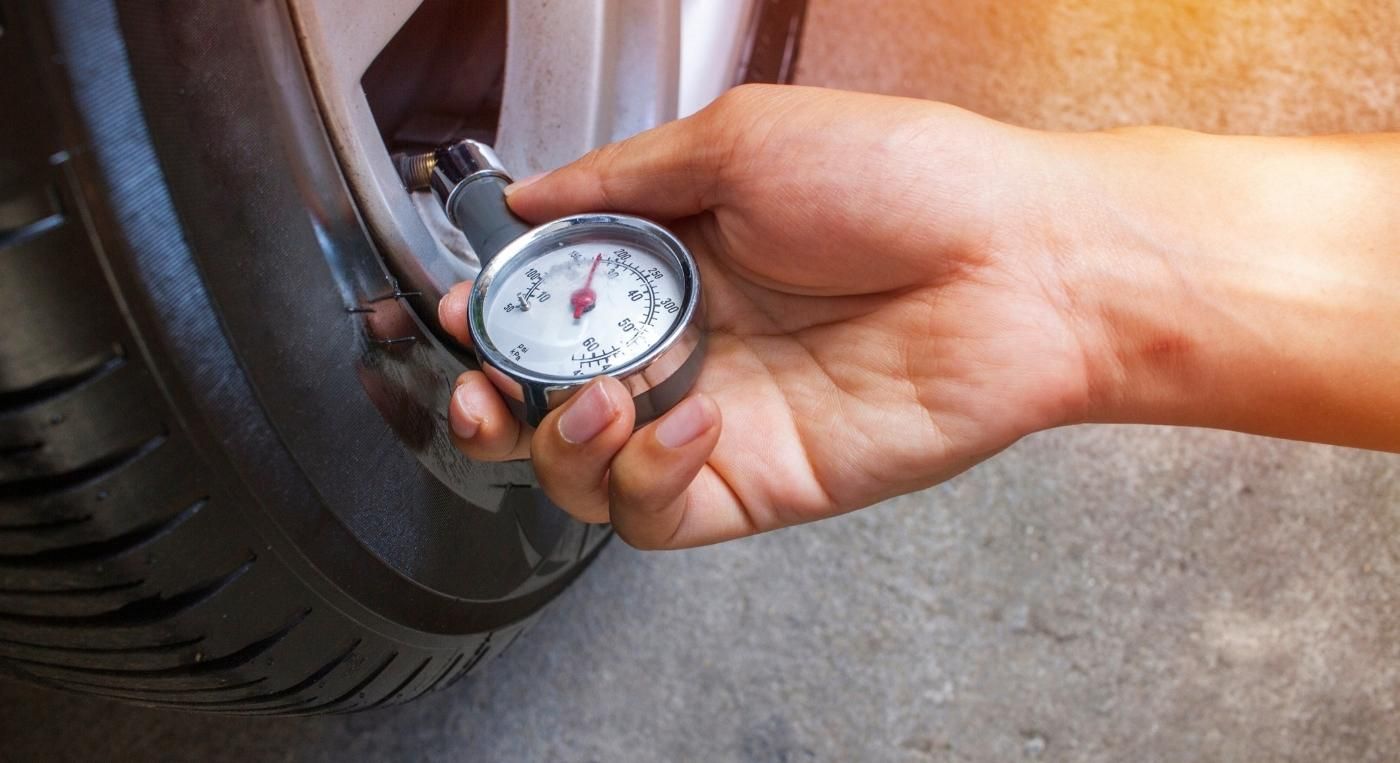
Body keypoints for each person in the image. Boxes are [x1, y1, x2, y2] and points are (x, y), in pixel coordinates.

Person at [436, 85, 1400, 550]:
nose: (578, 298)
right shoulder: (605, 281)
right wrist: (1039, 260)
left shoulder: (618, 274)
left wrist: (1045, 261)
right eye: (559, 305)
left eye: (580, 293)